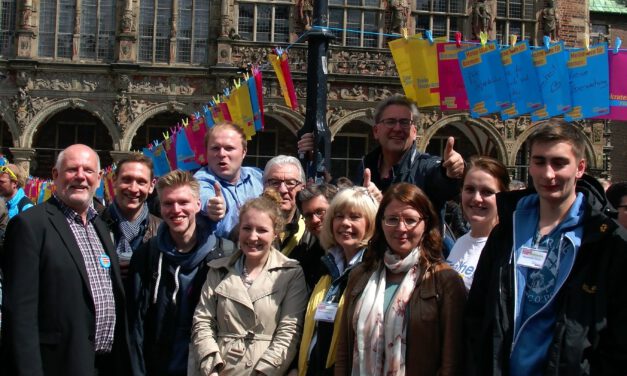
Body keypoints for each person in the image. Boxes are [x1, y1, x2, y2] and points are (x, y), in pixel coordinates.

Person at [465, 120, 627, 375]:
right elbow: (478, 311)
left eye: (559, 163)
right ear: (530, 165)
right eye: (539, 162)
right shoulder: (507, 230)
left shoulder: (607, 241)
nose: (548, 174)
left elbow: (619, 336)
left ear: (580, 168)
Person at [1, 144, 130, 376]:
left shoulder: (100, 225)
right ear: (55, 175)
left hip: (104, 365)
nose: (80, 176)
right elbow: (20, 315)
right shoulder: (30, 225)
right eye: (72, 169)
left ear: (99, 178)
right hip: (57, 365)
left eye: (88, 171)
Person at [335, 183, 466, 375]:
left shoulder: (445, 281)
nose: (401, 228)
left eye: (410, 220)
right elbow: (343, 351)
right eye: (392, 219)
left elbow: (452, 362)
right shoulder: (360, 275)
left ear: (426, 224)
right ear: (381, 222)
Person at [127, 170, 234, 376]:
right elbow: (135, 325)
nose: (176, 210)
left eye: (183, 202)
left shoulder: (224, 255)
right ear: (160, 206)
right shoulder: (147, 255)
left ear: (197, 205)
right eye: (168, 203)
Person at [189, 190, 308, 375]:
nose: (253, 237)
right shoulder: (218, 270)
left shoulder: (291, 273)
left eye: (262, 230)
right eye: (247, 228)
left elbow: (289, 333)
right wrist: (210, 367)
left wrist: (265, 371)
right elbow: (202, 321)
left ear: (275, 234)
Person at [298, 94, 464, 216]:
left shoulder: (425, 166)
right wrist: (314, 157)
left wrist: (449, 172)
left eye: (405, 122)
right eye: (390, 121)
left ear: (414, 132)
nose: (398, 128)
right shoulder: (366, 166)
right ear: (376, 131)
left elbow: (442, 182)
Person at [298, 187, 378, 376]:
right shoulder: (327, 268)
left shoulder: (374, 271)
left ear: (371, 223)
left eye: (355, 217)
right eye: (339, 216)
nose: (345, 223)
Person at [446, 156, 509, 290]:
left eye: (487, 192)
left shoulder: (505, 249)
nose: (476, 198)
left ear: (503, 196)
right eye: (470, 189)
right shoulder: (461, 242)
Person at [194, 123, 263, 239]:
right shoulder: (200, 181)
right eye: (215, 148)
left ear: (244, 152)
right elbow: (203, 195)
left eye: (229, 148)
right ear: (206, 152)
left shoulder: (258, 177)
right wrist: (212, 206)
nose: (222, 154)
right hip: (221, 254)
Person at [263, 155, 322, 289]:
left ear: (302, 187)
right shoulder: (246, 230)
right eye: (274, 182)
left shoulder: (315, 232)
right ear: (263, 186)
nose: (283, 190)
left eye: (290, 183)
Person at [101, 153, 161, 277]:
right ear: (114, 180)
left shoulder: (163, 230)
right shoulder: (93, 225)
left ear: (152, 185)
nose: (133, 189)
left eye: (141, 182)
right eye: (127, 180)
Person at [296, 183, 339, 288]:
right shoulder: (308, 259)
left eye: (320, 212)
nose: (315, 220)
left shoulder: (352, 251)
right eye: (308, 215)